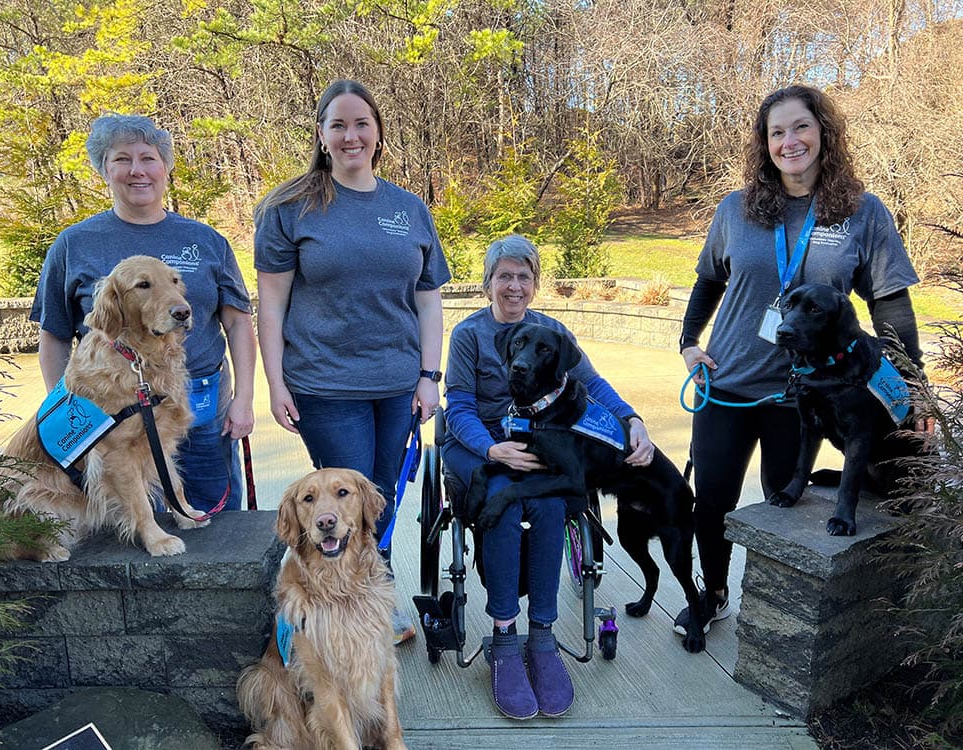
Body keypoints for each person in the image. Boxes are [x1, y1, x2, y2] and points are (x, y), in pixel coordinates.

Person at [677, 84, 923, 637]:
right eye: (777, 132)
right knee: (712, 500)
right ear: (764, 145)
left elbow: (891, 304)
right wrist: (689, 341)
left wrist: (914, 388)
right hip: (728, 383)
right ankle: (712, 593)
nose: (790, 142)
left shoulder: (863, 213)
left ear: (824, 132)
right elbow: (707, 281)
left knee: (784, 506)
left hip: (806, 395)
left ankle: (767, 617)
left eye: (801, 127)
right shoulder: (736, 210)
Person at [254, 79, 450, 645]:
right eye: (337, 125)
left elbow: (428, 297)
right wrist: (275, 382)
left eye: (361, 123)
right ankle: (348, 606)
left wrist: (429, 376)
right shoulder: (290, 208)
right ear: (320, 135)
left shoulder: (408, 209)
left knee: (378, 498)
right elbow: (271, 301)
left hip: (397, 385)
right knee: (341, 507)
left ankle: (368, 593)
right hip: (325, 385)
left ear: (379, 133)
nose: (350, 135)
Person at [442, 234, 656, 720]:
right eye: (504, 276)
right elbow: (458, 406)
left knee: (551, 503)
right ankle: (504, 636)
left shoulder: (552, 332)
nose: (513, 286)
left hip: (537, 442)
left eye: (523, 276)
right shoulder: (469, 335)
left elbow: (594, 384)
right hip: (479, 445)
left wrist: (632, 419)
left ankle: (542, 637)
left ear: (535, 285)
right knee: (505, 499)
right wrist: (494, 448)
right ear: (488, 283)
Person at [31, 114, 256, 514]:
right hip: (115, 415)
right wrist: (68, 411)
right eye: (122, 159)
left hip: (202, 402)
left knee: (215, 519)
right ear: (104, 169)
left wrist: (244, 399)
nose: (137, 171)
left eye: (148, 158)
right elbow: (54, 334)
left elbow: (238, 321)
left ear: (165, 167)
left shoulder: (204, 240)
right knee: (138, 525)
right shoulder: (74, 244)